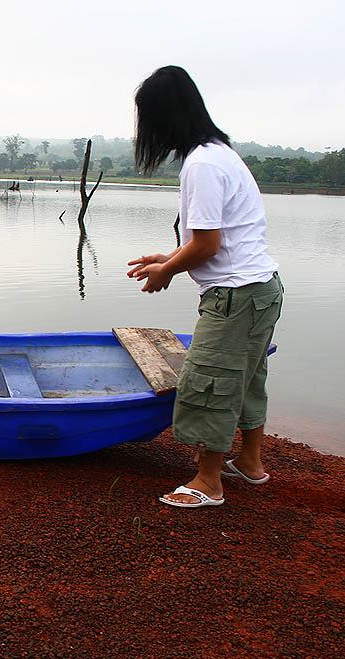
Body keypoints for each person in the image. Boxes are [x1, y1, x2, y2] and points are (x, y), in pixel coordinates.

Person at [126, 66, 283, 508]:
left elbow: (208, 246)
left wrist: (169, 271)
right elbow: (215, 239)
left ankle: (208, 482)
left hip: (236, 297)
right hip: (260, 289)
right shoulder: (221, 152)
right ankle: (250, 464)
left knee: (208, 381)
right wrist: (169, 257)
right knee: (247, 380)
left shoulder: (202, 165)